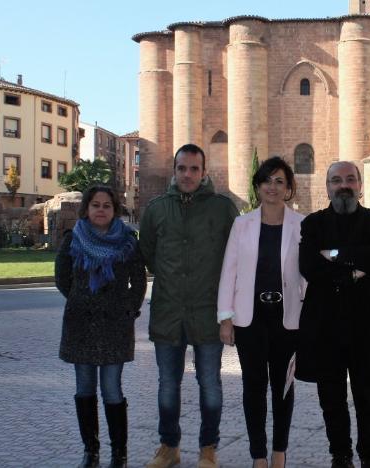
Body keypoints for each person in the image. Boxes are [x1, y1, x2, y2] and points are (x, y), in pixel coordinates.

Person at [140, 144, 238, 468]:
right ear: (174, 170)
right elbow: (149, 254)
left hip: (208, 313)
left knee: (209, 384)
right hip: (168, 312)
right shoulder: (156, 209)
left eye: (194, 169)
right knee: (168, 384)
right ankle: (169, 447)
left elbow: (234, 259)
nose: (187, 174)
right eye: (182, 168)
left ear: (204, 172)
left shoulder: (223, 209)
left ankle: (208, 448)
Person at [295, 161, 370, 468]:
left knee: (369, 400)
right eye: (336, 180)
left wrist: (335, 255)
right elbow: (309, 267)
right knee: (331, 400)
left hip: (368, 326)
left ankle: (369, 457)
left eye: (350, 179)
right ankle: (340, 456)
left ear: (360, 184)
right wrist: (354, 269)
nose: (343, 185)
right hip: (325, 327)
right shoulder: (312, 225)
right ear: (327, 186)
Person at [217, 157, 306, 468]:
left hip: (287, 319)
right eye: (267, 180)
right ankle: (258, 455)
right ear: (257, 187)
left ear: (289, 189)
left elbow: (307, 274)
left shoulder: (301, 225)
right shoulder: (242, 225)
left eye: (280, 181)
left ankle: (279, 452)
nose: (273, 186)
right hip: (249, 320)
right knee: (253, 389)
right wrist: (225, 317)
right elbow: (229, 271)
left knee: (283, 386)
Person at [56, 185, 147, 468]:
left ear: (115, 210)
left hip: (114, 327)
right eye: (95, 204)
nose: (101, 210)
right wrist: (81, 300)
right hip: (81, 325)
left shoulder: (128, 241)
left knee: (111, 389)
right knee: (84, 388)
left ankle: (119, 453)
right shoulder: (73, 239)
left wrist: (128, 309)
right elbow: (62, 278)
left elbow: (139, 280)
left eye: (107, 205)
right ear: (86, 209)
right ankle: (90, 451)